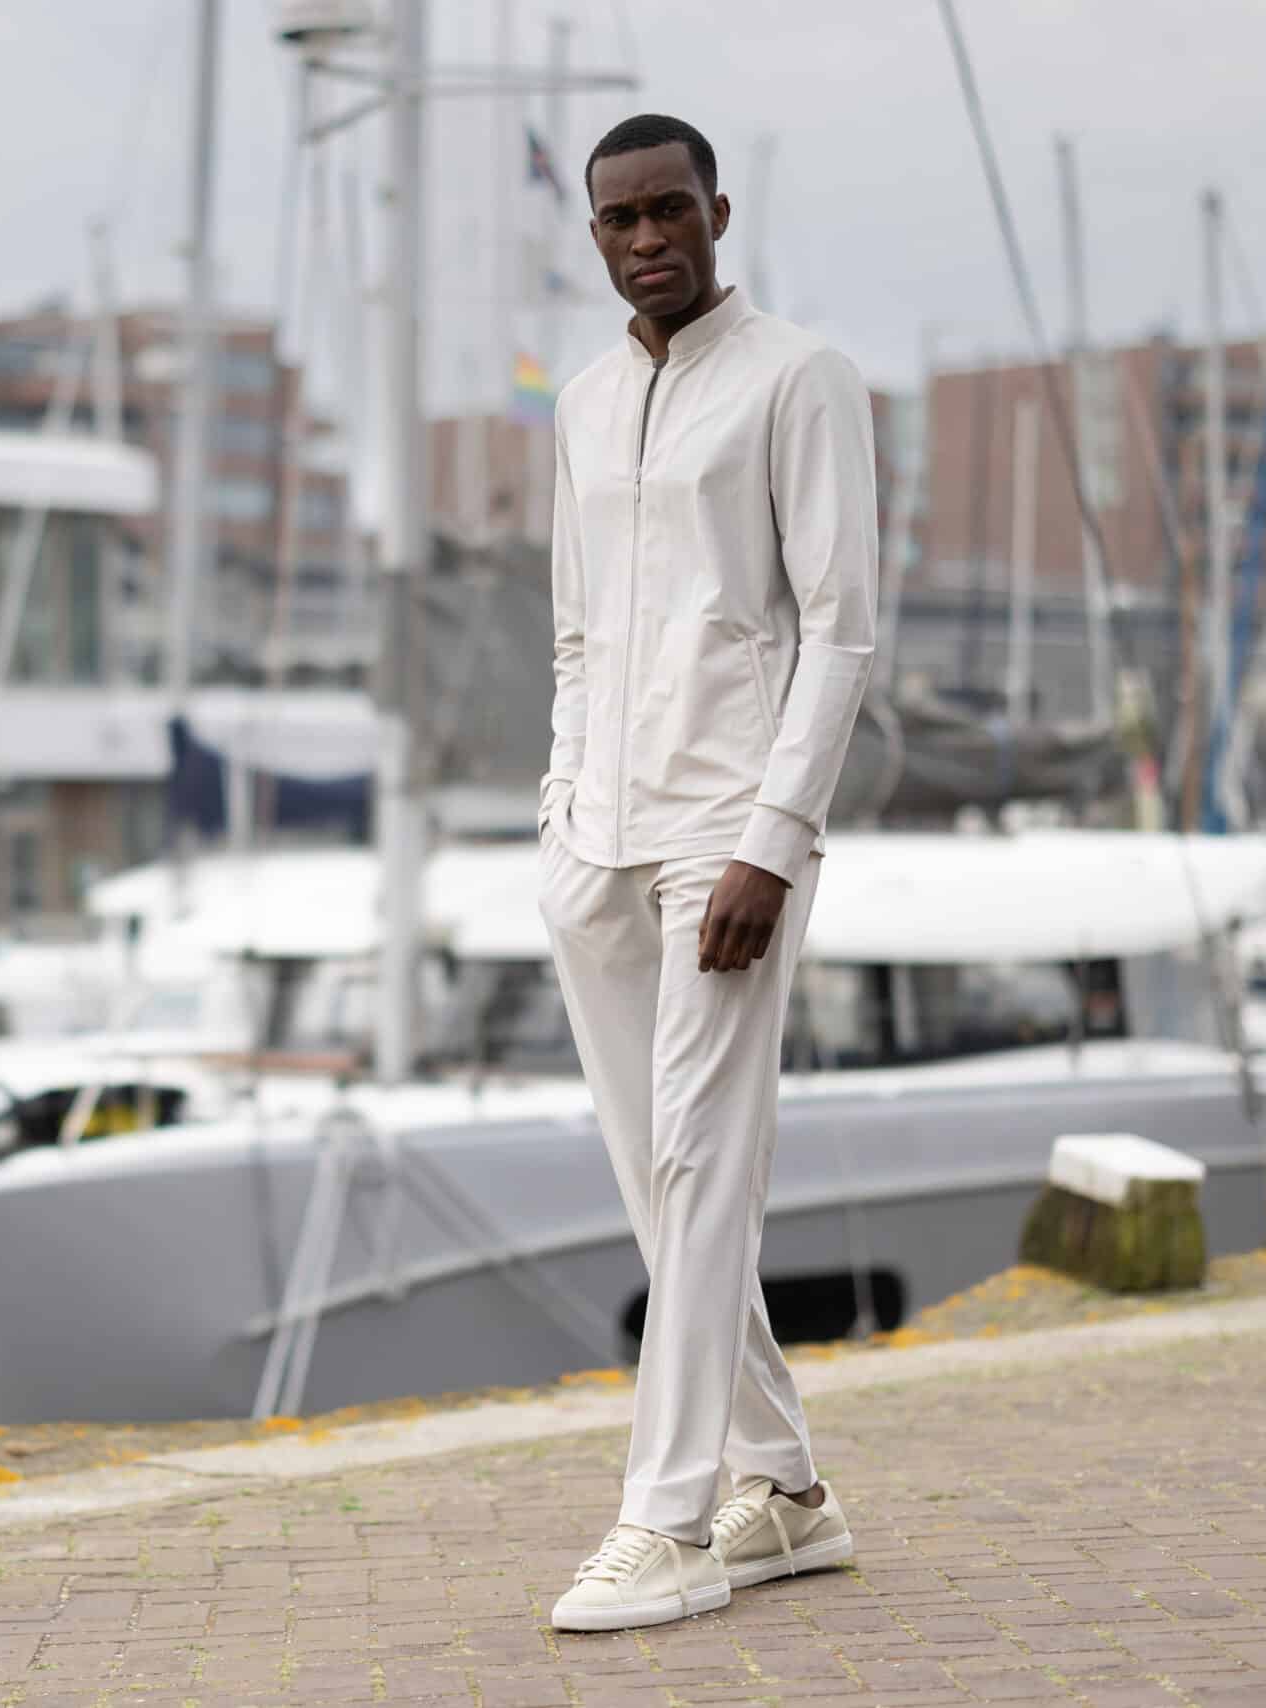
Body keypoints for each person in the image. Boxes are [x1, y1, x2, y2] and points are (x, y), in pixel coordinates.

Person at [538, 113, 878, 1633]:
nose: (647, 238)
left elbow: (841, 632)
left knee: (699, 1168)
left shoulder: (800, 378)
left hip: (727, 841)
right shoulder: (585, 400)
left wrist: (774, 839)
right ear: (596, 234)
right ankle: (787, 1493)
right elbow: (576, 634)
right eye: (621, 219)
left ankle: (669, 1522)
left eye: (669, 209)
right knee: (655, 1182)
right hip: (596, 846)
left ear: (718, 213)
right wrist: (561, 815)